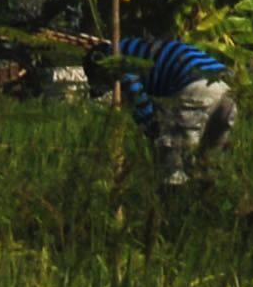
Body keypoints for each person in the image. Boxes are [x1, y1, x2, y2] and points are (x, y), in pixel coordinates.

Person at [75, 29, 237, 188]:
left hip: (194, 84)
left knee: (174, 158)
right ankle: (206, 202)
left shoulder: (115, 60)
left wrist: (154, 131)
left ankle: (172, 204)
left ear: (99, 69)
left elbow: (135, 94)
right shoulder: (138, 48)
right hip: (226, 87)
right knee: (210, 161)